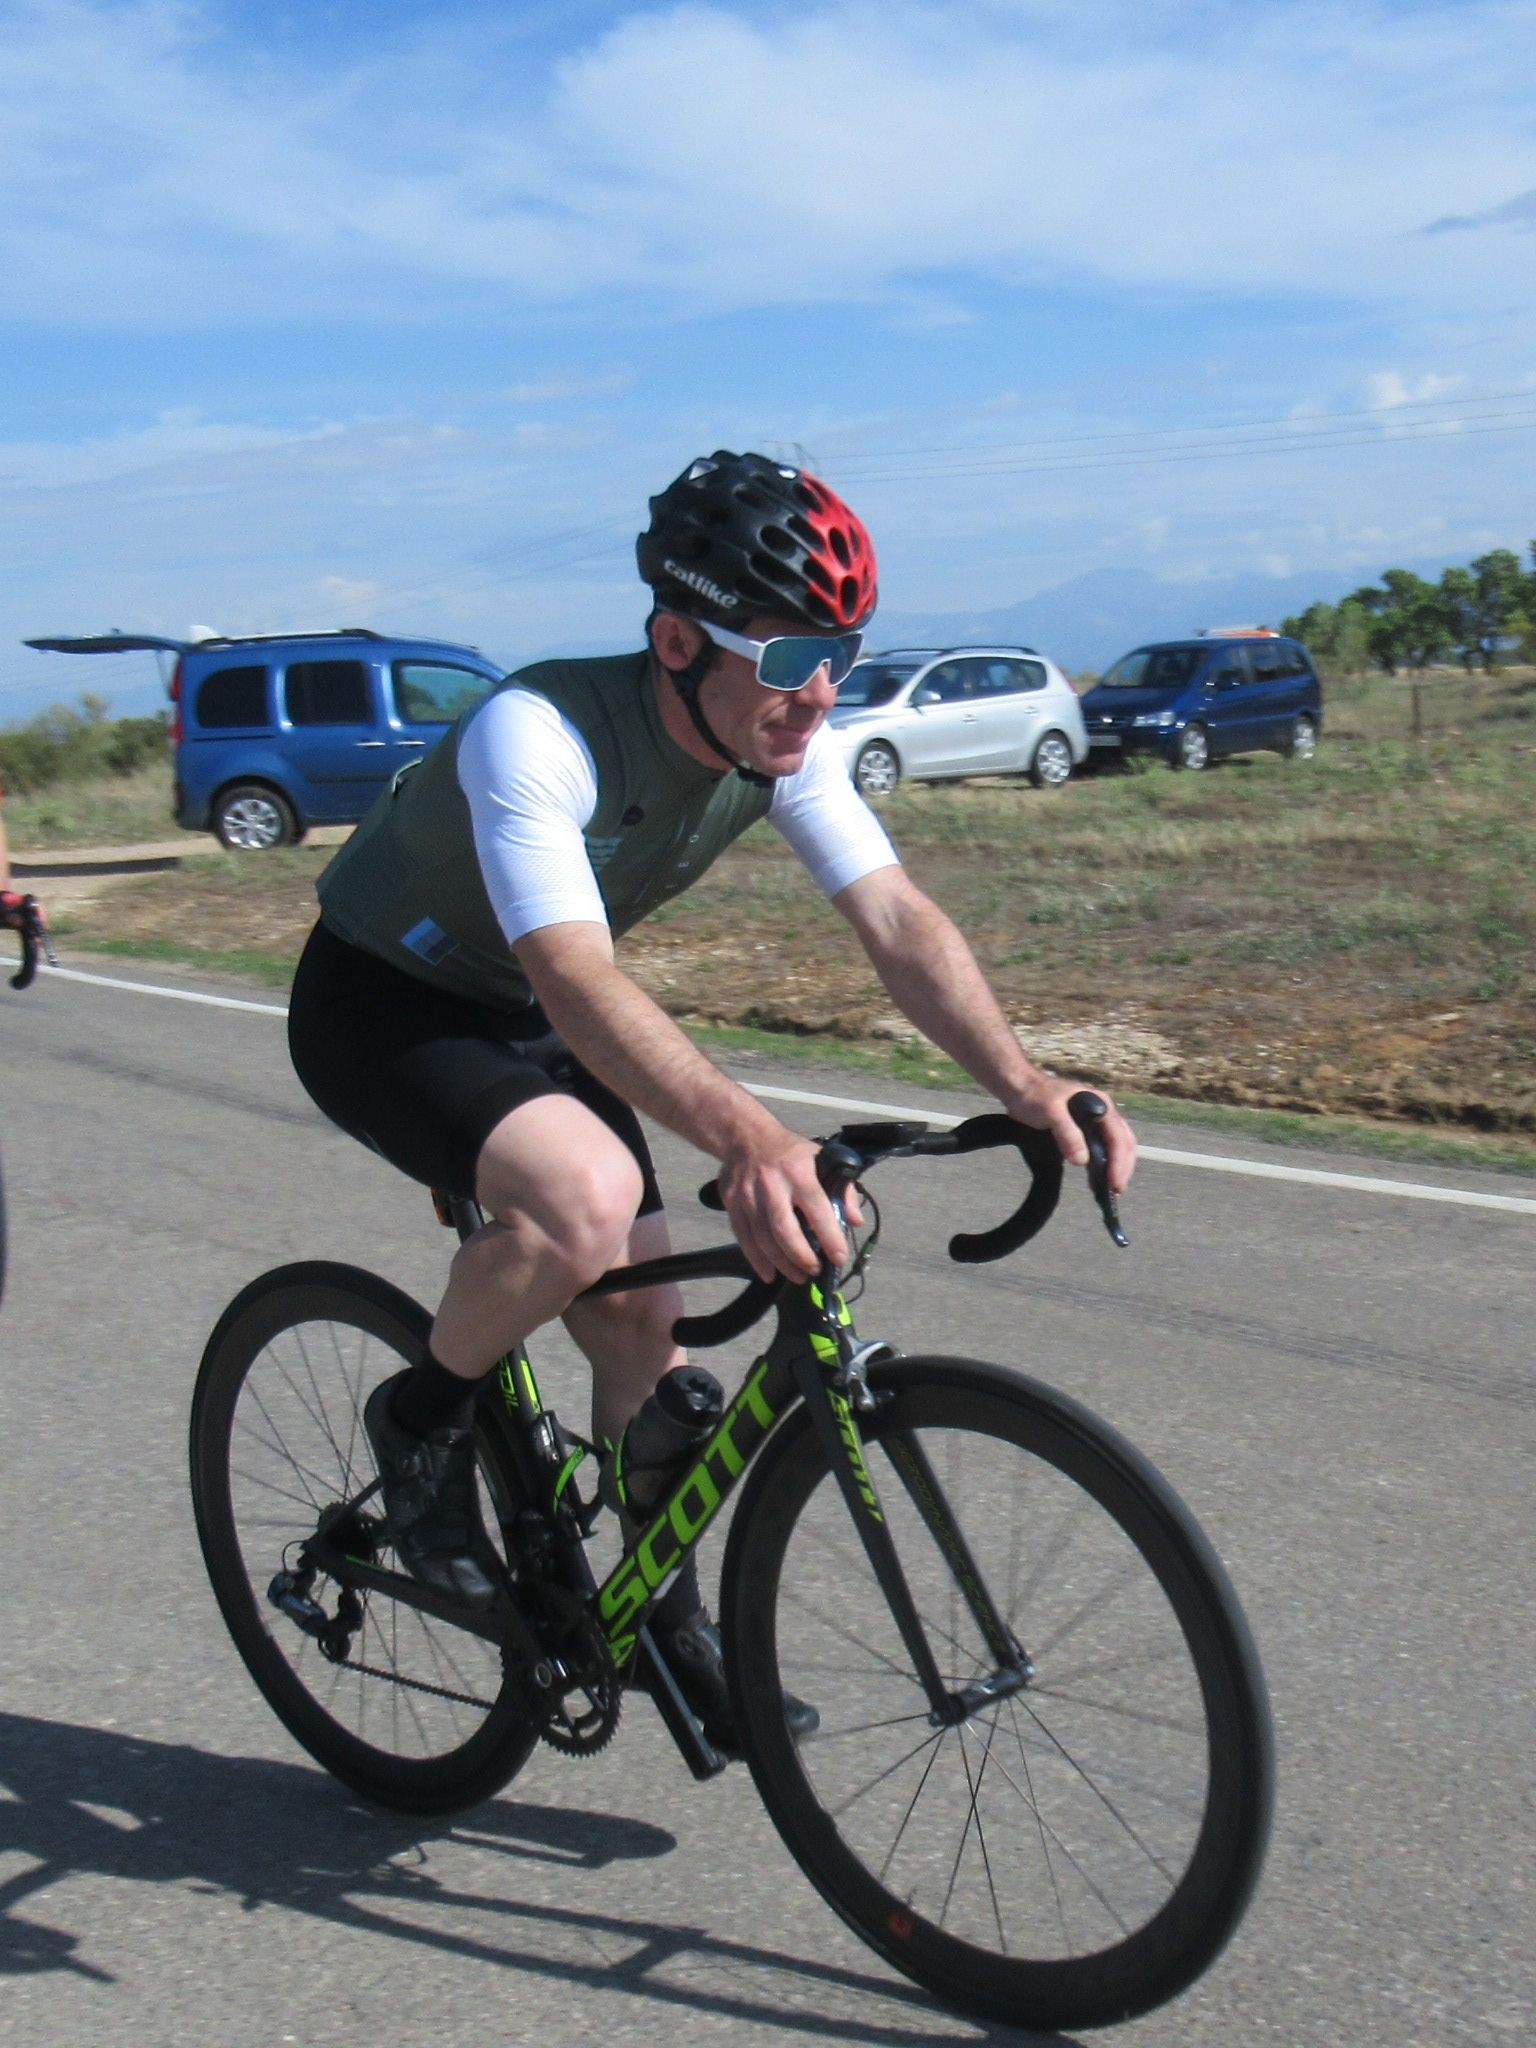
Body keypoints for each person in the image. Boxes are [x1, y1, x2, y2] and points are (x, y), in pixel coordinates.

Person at [287, 448, 1136, 1753]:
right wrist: (747, 1136)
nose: (824, 692)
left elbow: (896, 921)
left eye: (844, 653)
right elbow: (573, 973)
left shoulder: (785, 738)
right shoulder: (541, 732)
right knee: (582, 1201)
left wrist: (1025, 1085)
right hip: (385, 1001)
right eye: (793, 657)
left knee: (646, 1337)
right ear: (677, 641)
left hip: (532, 1012)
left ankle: (660, 1616)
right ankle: (419, 1425)